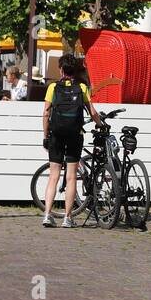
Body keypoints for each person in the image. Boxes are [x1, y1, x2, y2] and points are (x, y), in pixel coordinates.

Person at [40, 52, 104, 227]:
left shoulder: (53, 88)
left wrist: (46, 135)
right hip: (75, 135)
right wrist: (100, 125)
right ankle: (68, 218)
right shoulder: (82, 88)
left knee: (53, 176)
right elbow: (92, 112)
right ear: (74, 70)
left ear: (61, 69)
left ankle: (47, 215)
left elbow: (46, 114)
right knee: (71, 177)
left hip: (56, 134)